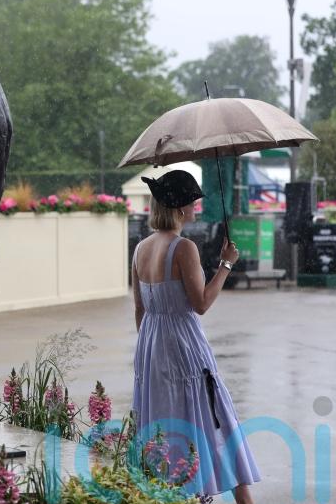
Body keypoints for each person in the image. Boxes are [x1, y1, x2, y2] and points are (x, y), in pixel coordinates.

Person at [131, 169, 260, 503]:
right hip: (184, 345)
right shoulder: (183, 247)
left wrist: (150, 353)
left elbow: (139, 311)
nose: (196, 207)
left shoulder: (141, 249)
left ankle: (181, 494)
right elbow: (201, 303)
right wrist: (226, 265)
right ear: (179, 208)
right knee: (214, 420)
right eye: (192, 202)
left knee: (167, 423)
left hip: (151, 347)